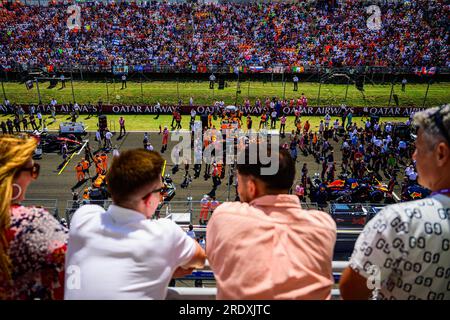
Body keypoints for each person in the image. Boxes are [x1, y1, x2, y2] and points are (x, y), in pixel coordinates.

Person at [340, 105, 450, 300]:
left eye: (419, 148)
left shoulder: (400, 220)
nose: (414, 156)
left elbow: (352, 289)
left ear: (441, 153)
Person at [65, 149, 206, 299]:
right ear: (148, 199)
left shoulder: (83, 218)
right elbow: (200, 259)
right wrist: (167, 268)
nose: (162, 194)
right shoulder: (165, 233)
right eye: (160, 190)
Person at [206, 148, 336, 299]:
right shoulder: (323, 225)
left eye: (239, 182)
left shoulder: (225, 216)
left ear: (251, 187)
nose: (238, 188)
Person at [0, 136, 68, 299]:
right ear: (12, 174)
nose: (33, 177)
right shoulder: (32, 221)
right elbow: (73, 267)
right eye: (33, 170)